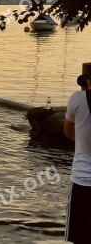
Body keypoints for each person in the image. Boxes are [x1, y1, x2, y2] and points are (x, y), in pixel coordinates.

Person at [63, 63, 91, 242]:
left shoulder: (77, 99)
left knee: (79, 236)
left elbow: (68, 132)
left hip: (83, 179)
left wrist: (81, 140)